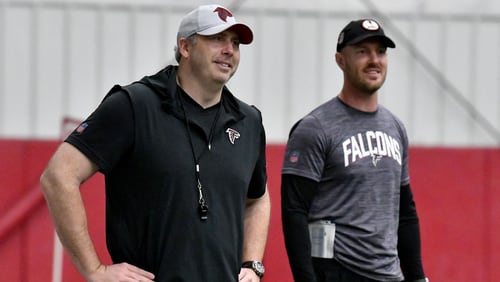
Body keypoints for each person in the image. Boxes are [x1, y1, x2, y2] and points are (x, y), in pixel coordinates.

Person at [40, 4, 270, 282]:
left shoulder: (248, 120)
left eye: (235, 43)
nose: (229, 50)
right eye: (217, 39)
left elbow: (257, 198)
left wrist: (253, 264)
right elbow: (58, 177)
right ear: (185, 47)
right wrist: (94, 270)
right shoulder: (134, 106)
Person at [281, 18, 428, 282]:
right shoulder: (315, 128)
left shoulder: (396, 128)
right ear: (340, 60)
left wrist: (417, 277)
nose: (374, 60)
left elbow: (406, 212)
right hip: (338, 272)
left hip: (390, 275)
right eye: (362, 51)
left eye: (380, 52)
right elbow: (294, 212)